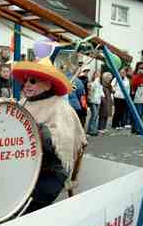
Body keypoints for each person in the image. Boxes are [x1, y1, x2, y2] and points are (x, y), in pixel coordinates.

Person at [12, 58, 87, 212]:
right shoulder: (23, 102)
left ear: (48, 84)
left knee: (28, 206)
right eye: (25, 80)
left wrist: (35, 130)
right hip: (22, 164)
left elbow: (62, 143)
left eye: (32, 81)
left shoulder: (60, 107)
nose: (26, 84)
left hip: (50, 170)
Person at [131, 62, 143, 134]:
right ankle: (136, 129)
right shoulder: (136, 75)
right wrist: (139, 75)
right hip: (139, 98)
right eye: (141, 68)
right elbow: (134, 83)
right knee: (138, 114)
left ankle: (139, 128)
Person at [87, 71, 104, 136]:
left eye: (98, 74)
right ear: (94, 75)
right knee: (94, 114)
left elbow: (101, 91)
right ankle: (91, 130)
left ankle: (94, 130)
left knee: (96, 115)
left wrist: (102, 96)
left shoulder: (100, 83)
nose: (97, 76)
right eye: (96, 74)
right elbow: (91, 89)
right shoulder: (92, 83)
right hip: (93, 100)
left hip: (98, 100)